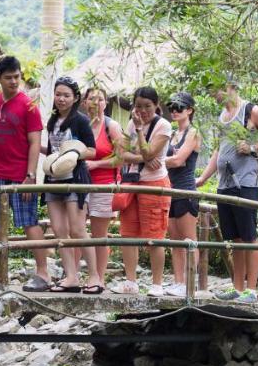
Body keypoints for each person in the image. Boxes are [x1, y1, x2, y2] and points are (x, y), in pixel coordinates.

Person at [0, 55, 51, 292]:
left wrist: (30, 175)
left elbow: (35, 142)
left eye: (17, 76)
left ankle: (43, 274)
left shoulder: (28, 106)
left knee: (29, 223)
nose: (14, 82)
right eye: (9, 78)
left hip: (20, 175)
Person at [196, 80, 258, 302]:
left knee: (249, 236)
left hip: (246, 183)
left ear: (231, 86)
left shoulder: (251, 110)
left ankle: (252, 289)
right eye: (211, 90)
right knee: (236, 238)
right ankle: (237, 287)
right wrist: (203, 178)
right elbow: (219, 150)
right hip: (225, 184)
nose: (214, 94)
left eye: (216, 88)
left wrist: (252, 147)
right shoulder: (222, 116)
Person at [42, 76, 102, 293]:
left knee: (78, 230)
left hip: (75, 180)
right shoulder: (52, 121)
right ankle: (71, 277)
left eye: (66, 95)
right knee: (59, 231)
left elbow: (93, 151)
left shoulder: (81, 121)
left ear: (75, 98)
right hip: (53, 180)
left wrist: (74, 153)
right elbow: (51, 150)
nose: (61, 99)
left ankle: (95, 277)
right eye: (58, 94)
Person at [113, 86, 172, 296]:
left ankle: (157, 284)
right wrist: (142, 158)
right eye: (138, 106)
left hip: (155, 184)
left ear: (156, 105)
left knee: (154, 235)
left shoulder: (163, 126)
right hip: (132, 183)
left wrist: (139, 133)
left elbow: (149, 151)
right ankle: (131, 281)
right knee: (128, 233)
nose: (143, 111)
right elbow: (120, 153)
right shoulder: (130, 122)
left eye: (148, 106)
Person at [83, 86, 125, 286]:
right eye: (91, 99)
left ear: (105, 103)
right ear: (84, 103)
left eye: (100, 99)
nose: (95, 103)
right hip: (80, 185)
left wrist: (97, 164)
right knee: (76, 231)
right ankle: (75, 276)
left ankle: (98, 279)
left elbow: (121, 158)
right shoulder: (80, 125)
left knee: (99, 234)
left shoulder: (112, 126)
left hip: (103, 184)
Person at [163, 92, 201, 297]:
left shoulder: (193, 132)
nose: (175, 111)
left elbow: (179, 160)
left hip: (186, 190)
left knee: (189, 240)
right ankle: (178, 282)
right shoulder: (171, 134)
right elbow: (173, 159)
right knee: (175, 240)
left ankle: (189, 282)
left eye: (179, 107)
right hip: (169, 190)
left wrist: (162, 160)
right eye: (172, 108)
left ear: (189, 110)